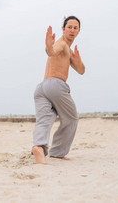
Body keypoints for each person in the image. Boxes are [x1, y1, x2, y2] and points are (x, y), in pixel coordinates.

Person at [32, 16, 85, 164]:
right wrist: (49, 46)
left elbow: (81, 71)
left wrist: (79, 62)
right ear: (63, 29)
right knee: (71, 118)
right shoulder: (61, 45)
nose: (72, 30)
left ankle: (39, 148)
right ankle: (57, 152)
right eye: (69, 27)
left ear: (79, 31)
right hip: (55, 85)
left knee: (46, 119)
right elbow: (52, 51)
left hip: (41, 88)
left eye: (75, 28)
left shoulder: (68, 50)